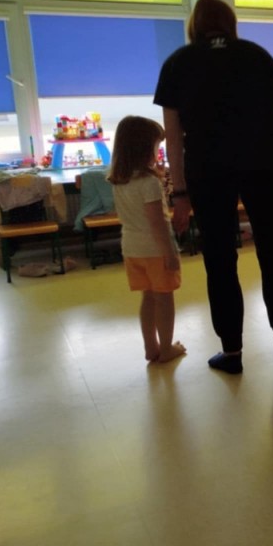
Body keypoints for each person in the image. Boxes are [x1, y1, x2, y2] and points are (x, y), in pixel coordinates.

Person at [155, 0, 273, 375]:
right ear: (229, 22)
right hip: (265, 166)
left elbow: (173, 138)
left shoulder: (177, 63)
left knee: (219, 260)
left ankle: (232, 351)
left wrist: (180, 193)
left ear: (195, 25)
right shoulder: (256, 55)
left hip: (209, 172)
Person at [108, 116, 185, 365]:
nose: (158, 151)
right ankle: (166, 348)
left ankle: (151, 348)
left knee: (148, 297)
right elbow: (157, 222)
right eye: (156, 146)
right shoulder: (148, 183)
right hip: (155, 251)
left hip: (132, 249)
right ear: (144, 148)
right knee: (165, 299)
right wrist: (170, 253)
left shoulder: (120, 180)